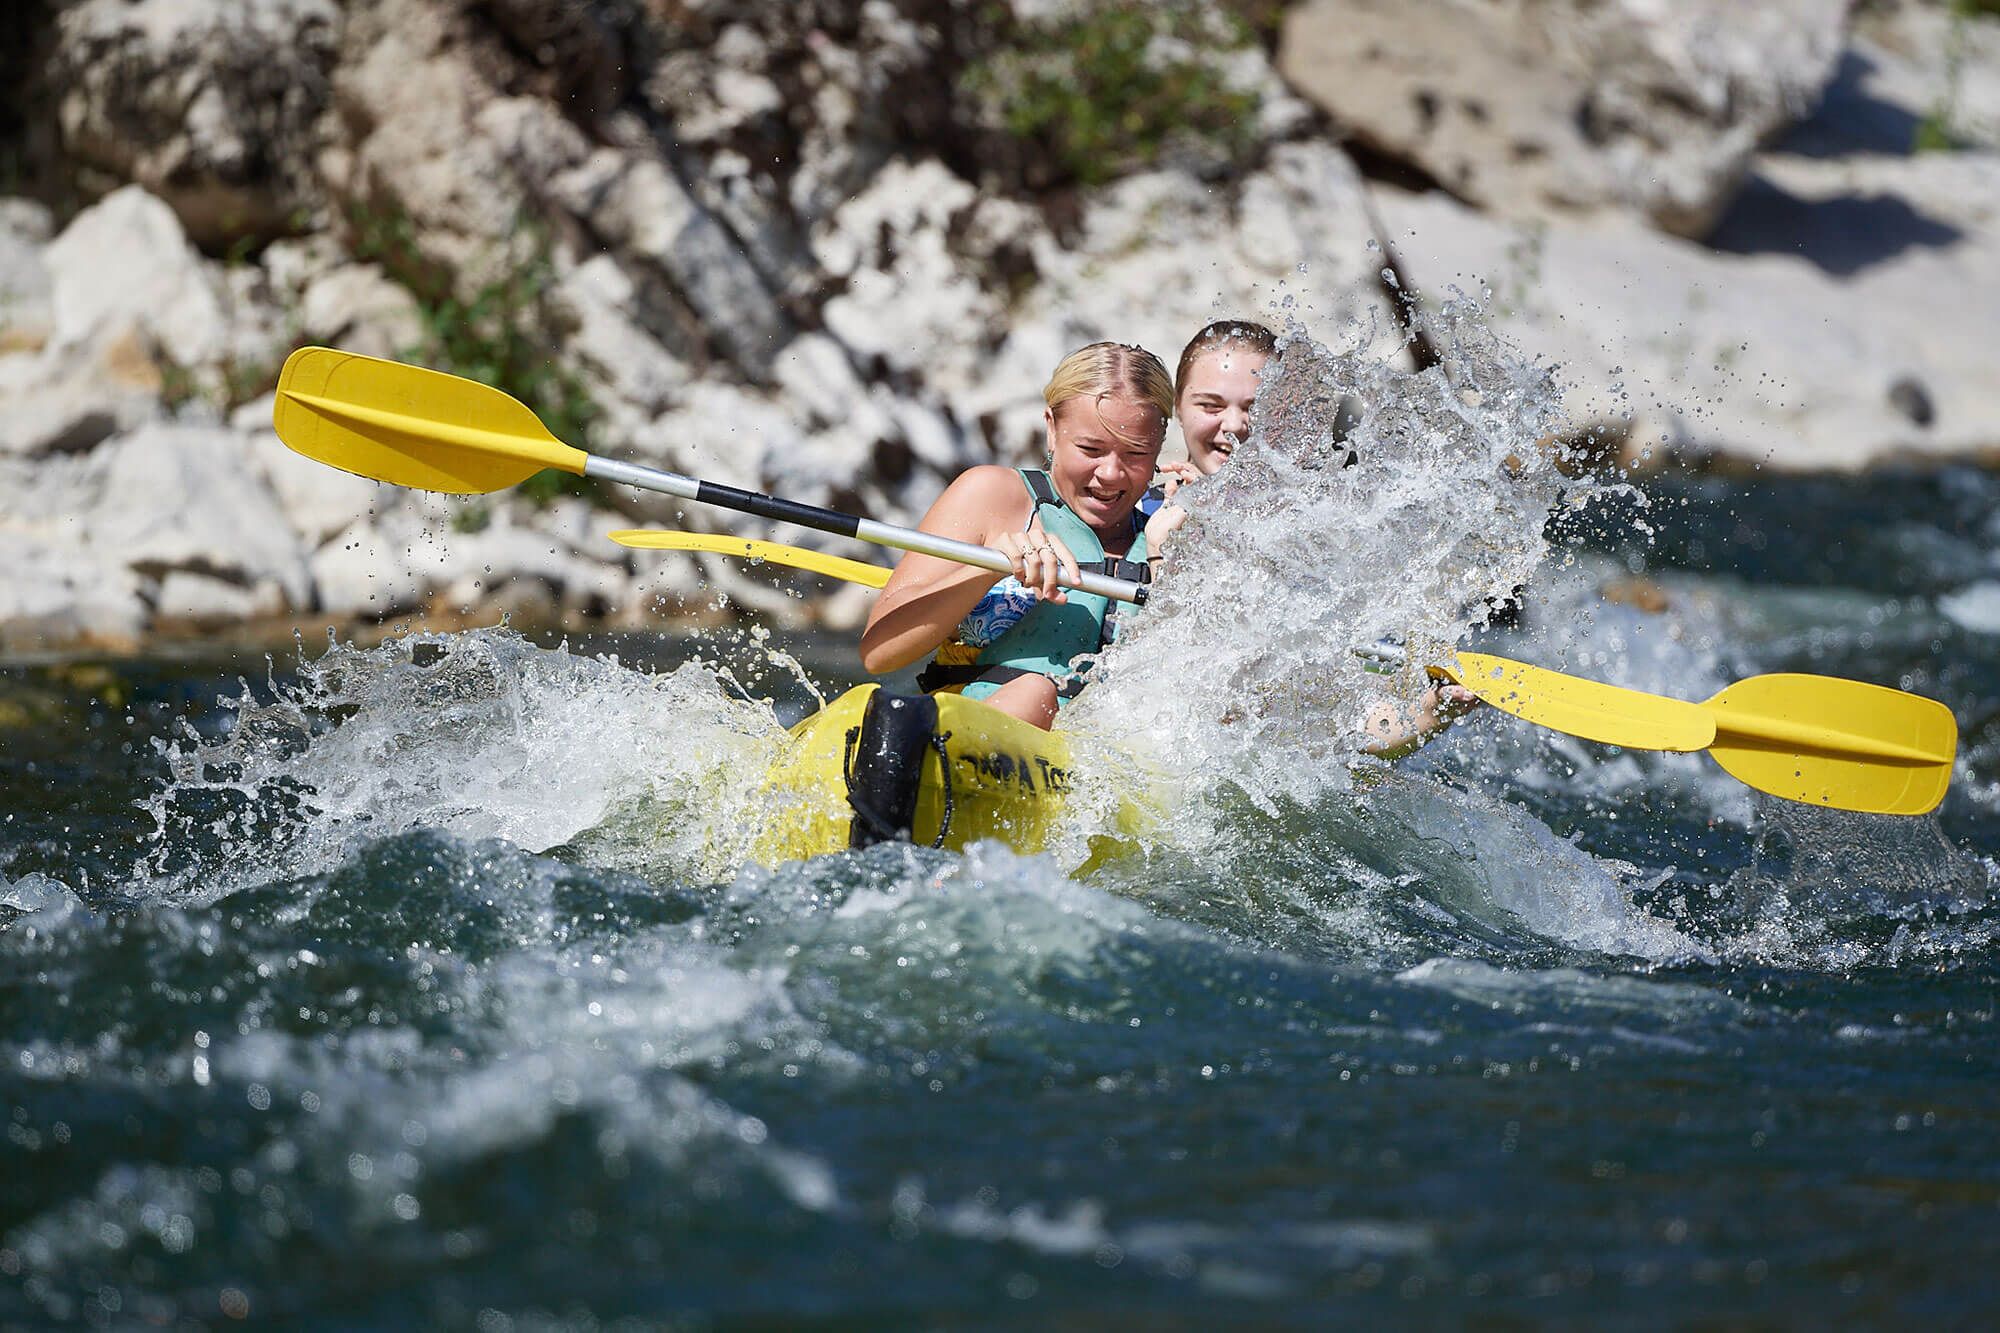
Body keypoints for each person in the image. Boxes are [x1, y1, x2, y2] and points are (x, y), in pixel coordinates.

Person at [1149, 319, 1479, 756]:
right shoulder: (1126, 511)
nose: (1234, 425)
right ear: (1177, 406)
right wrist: (1160, 553)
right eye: (1211, 405)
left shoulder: (1321, 545)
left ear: (1286, 411)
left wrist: (1431, 714)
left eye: (1256, 406)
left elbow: (1340, 742)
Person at [859, 342, 1175, 730]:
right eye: (1090, 449)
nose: (1110, 472)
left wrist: (1171, 557)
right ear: (1052, 429)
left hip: (1115, 762)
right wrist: (988, 568)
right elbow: (879, 653)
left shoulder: (1177, 526)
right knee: (1034, 694)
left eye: (1135, 453)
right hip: (975, 743)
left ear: (1159, 445)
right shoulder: (992, 494)